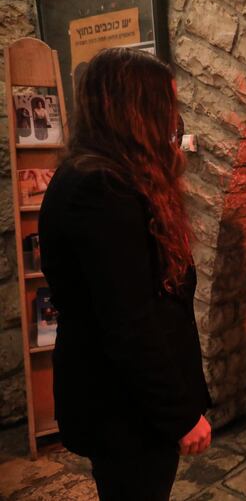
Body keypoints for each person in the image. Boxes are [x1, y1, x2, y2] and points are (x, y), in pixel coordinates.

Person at [38, 48, 212, 501]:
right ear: (138, 109)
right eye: (168, 107)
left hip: (125, 402)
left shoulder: (106, 176)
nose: (174, 121)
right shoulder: (101, 188)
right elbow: (130, 323)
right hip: (124, 407)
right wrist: (179, 414)